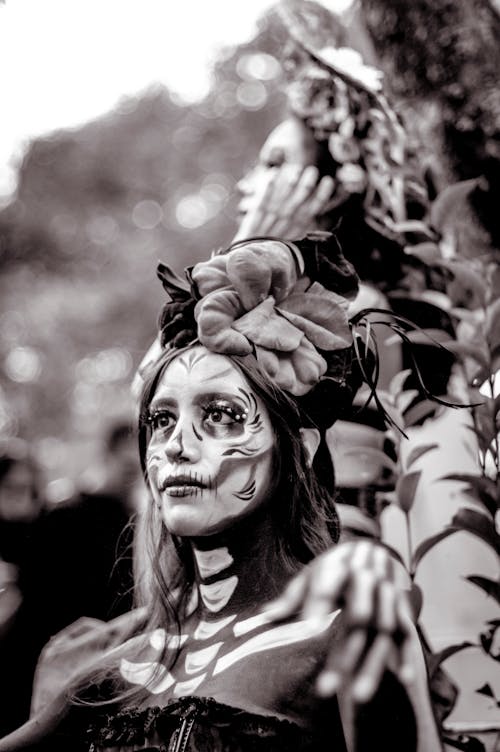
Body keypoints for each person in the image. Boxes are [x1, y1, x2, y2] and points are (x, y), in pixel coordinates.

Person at [0, 234, 442, 751]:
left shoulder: (355, 642)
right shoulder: (115, 671)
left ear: (298, 448)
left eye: (220, 415)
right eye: (161, 420)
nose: (176, 447)